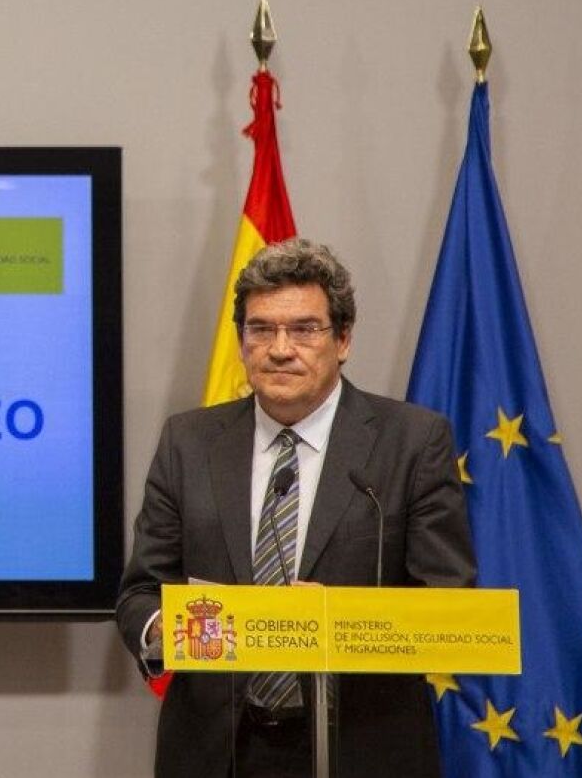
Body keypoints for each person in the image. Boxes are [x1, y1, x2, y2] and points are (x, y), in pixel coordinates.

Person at [115, 239, 476, 778]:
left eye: (304, 329)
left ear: (343, 339)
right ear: (242, 342)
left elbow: (448, 603)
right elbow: (140, 592)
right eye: (261, 329)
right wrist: (163, 627)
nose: (280, 349)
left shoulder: (411, 442)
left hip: (362, 745)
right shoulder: (189, 442)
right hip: (217, 750)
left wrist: (336, 622)